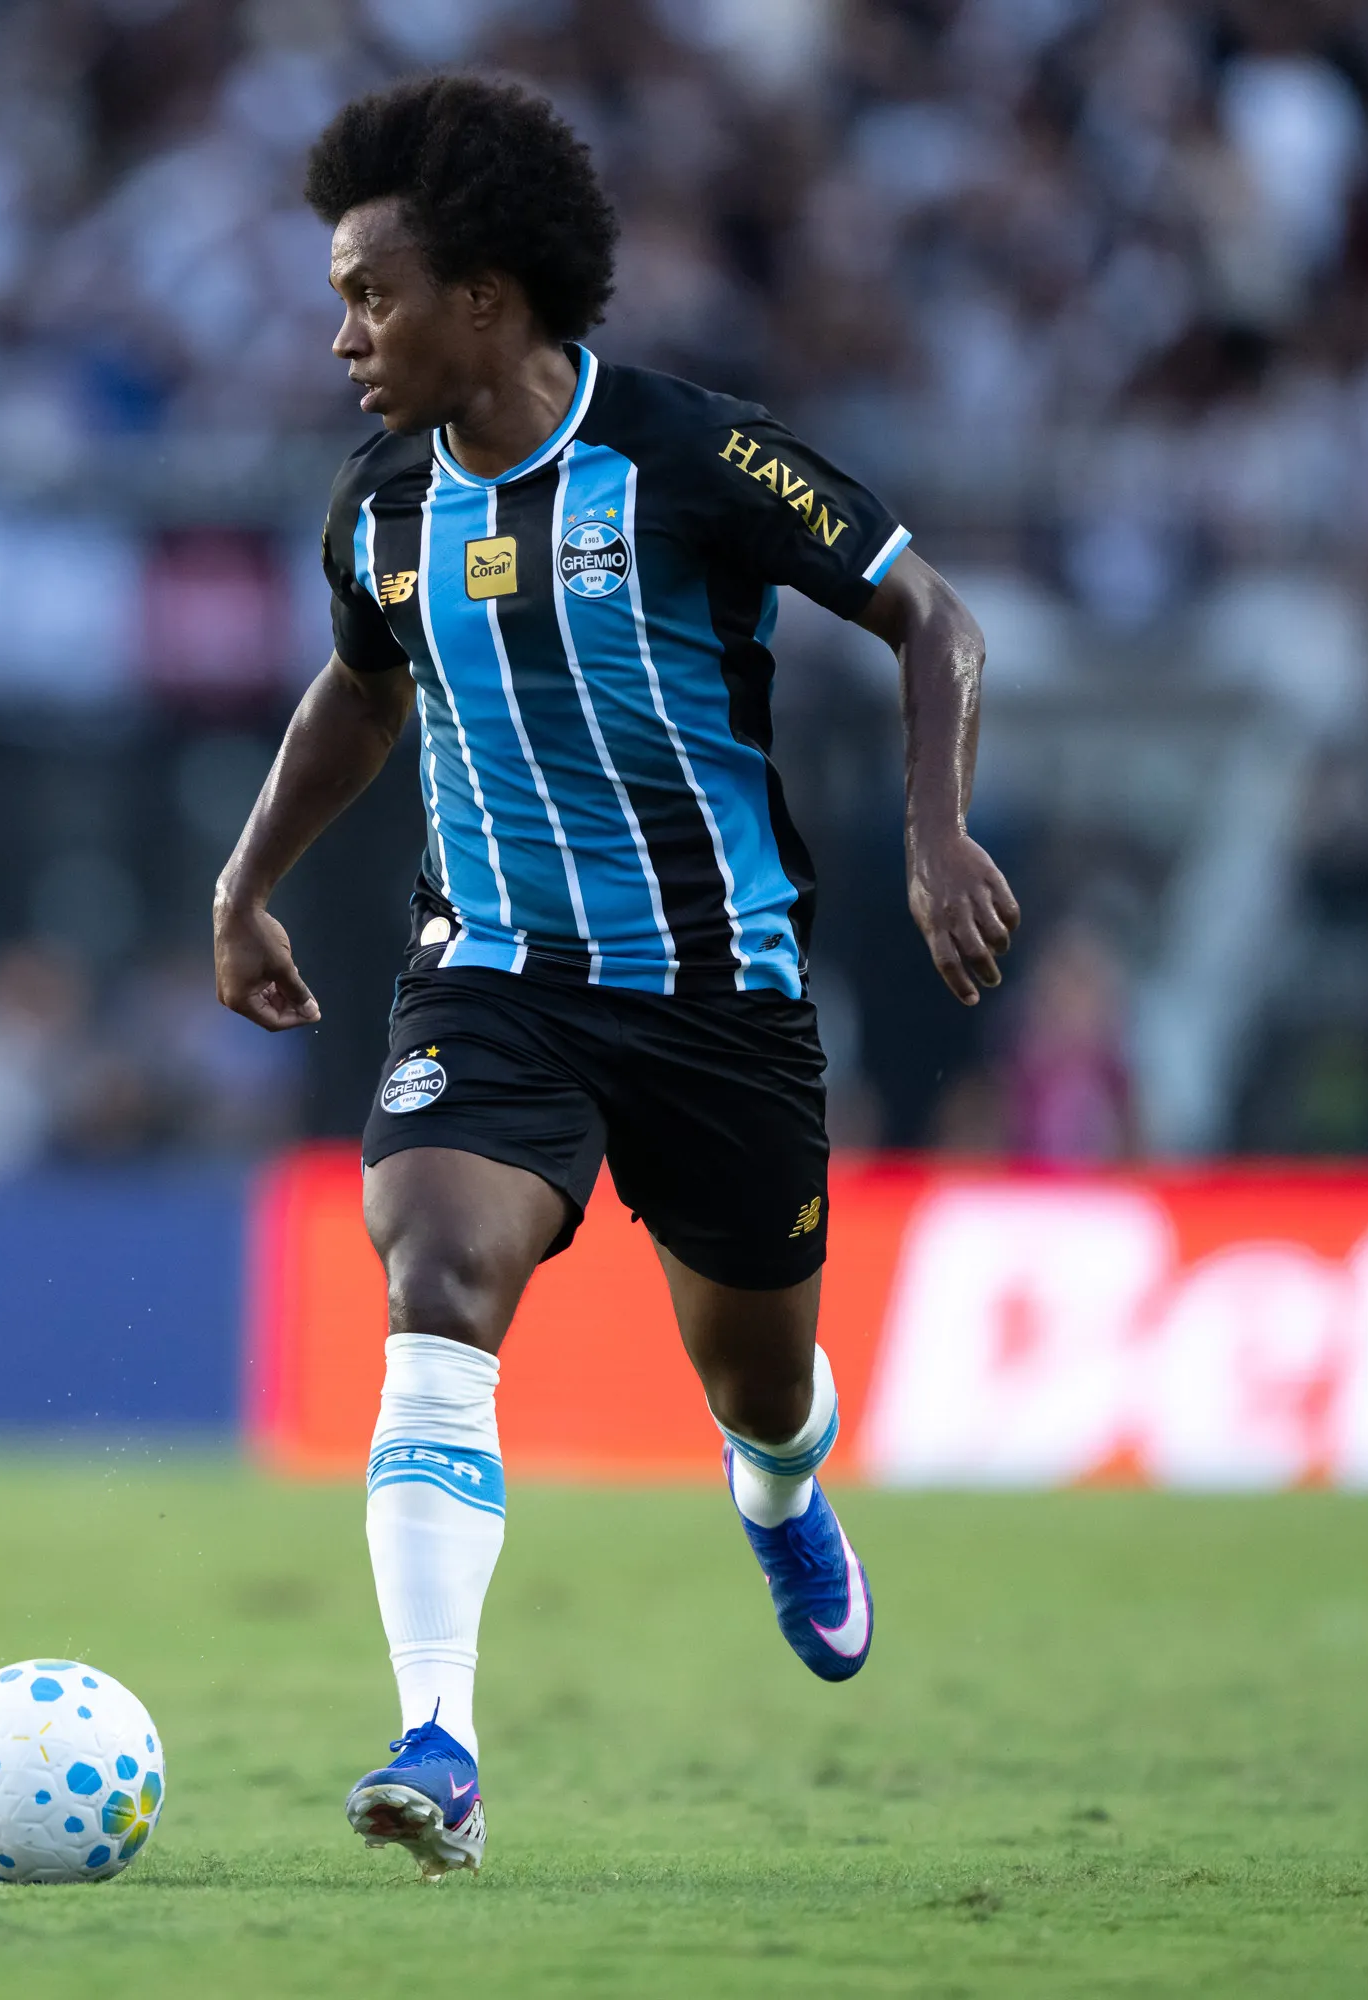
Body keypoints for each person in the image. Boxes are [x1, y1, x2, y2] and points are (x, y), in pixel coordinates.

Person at [211, 76, 1019, 1881]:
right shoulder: (378, 510)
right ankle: (440, 1739)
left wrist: (935, 831)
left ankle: (784, 1493)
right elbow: (363, 683)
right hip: (491, 980)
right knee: (434, 1282)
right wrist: (249, 875)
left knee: (755, 1382)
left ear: (486, 298)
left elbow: (928, 616)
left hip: (718, 997)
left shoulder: (692, 457)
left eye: (371, 292)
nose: (343, 333)